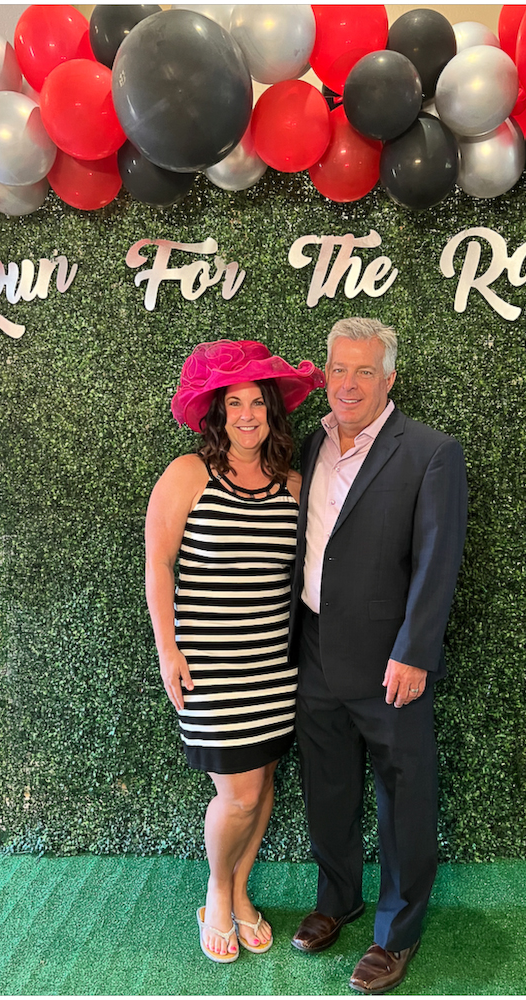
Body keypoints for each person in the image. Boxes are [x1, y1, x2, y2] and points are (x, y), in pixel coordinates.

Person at [288, 317, 468, 994]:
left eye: (365, 371)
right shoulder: (310, 443)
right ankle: (337, 900)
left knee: (404, 797)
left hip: (391, 662)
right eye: (339, 369)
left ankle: (396, 933)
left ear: (389, 378)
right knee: (327, 788)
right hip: (312, 650)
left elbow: (437, 561)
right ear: (326, 376)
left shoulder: (430, 451)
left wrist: (414, 652)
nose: (349, 384)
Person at [145, 338, 323, 964]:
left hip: (275, 663)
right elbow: (159, 566)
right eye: (235, 404)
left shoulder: (293, 485)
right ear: (217, 412)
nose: (248, 415)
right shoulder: (187, 474)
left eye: (258, 403)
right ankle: (216, 894)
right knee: (239, 794)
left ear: (273, 411)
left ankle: (241, 890)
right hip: (211, 665)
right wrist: (168, 651)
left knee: (264, 779)